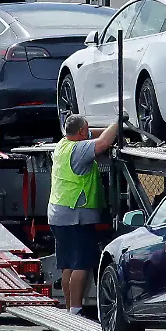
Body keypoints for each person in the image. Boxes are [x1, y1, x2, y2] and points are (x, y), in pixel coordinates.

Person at [49, 114, 118, 314]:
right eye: (85, 130)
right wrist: (118, 122)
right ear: (80, 132)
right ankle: (77, 309)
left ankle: (70, 309)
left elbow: (94, 135)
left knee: (67, 265)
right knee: (82, 264)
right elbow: (103, 142)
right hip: (76, 215)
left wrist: (112, 131)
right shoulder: (79, 150)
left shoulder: (62, 144)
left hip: (58, 214)